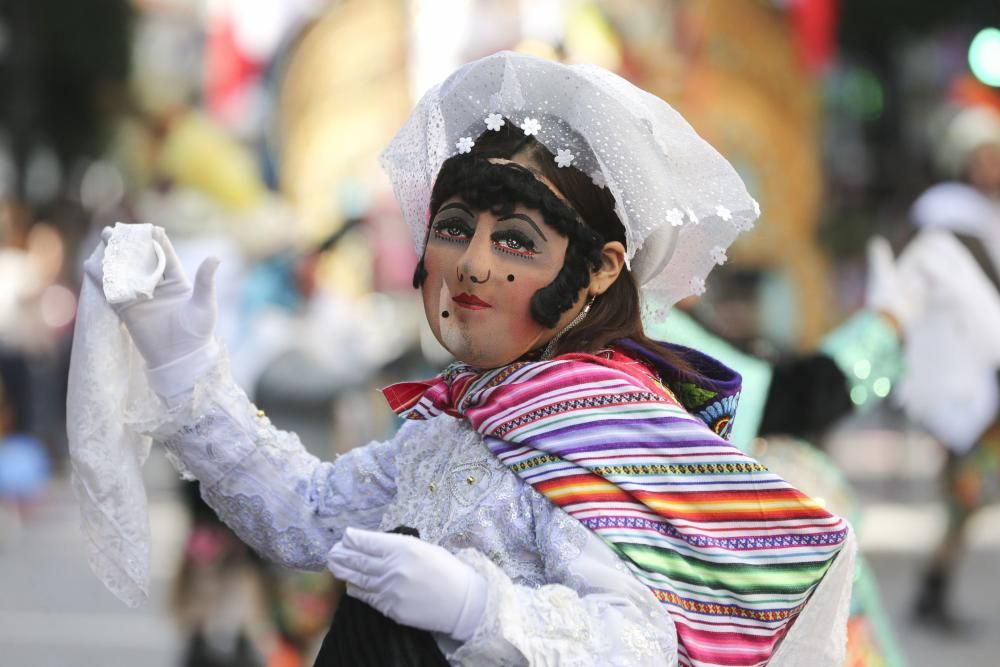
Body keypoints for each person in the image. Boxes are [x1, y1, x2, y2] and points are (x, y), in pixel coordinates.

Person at [70, 52, 854, 666]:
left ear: (603, 268)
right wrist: (181, 356)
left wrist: (479, 608)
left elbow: (640, 641)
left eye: (515, 240)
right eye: (454, 227)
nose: (473, 264)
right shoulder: (463, 417)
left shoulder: (603, 424)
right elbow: (305, 517)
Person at [894, 104, 1000, 630]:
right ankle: (933, 589)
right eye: (983, 157)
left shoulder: (983, 214)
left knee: (969, 494)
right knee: (965, 491)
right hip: (965, 377)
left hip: (980, 377)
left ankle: (936, 586)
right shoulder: (952, 215)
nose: (993, 167)